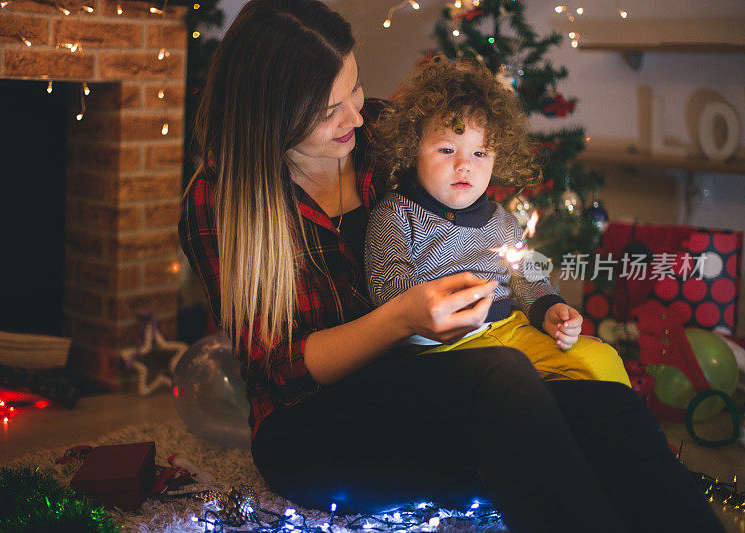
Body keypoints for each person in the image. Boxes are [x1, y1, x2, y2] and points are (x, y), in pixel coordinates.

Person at [179, 0, 725, 531]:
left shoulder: (381, 135)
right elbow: (280, 366)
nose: (356, 114)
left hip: (423, 380)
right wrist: (402, 317)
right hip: (313, 428)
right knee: (503, 380)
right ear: (270, 120)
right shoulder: (222, 200)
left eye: (355, 87)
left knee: (609, 407)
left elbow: (475, 199)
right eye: (327, 112)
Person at [365, 58, 630, 387]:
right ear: (412, 150)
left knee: (601, 361)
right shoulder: (395, 214)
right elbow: (387, 290)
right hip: (440, 350)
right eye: (447, 150)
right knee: (511, 387)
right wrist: (435, 309)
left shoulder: (502, 220)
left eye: (479, 154)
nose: (464, 165)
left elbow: (527, 279)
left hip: (511, 330)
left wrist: (550, 310)